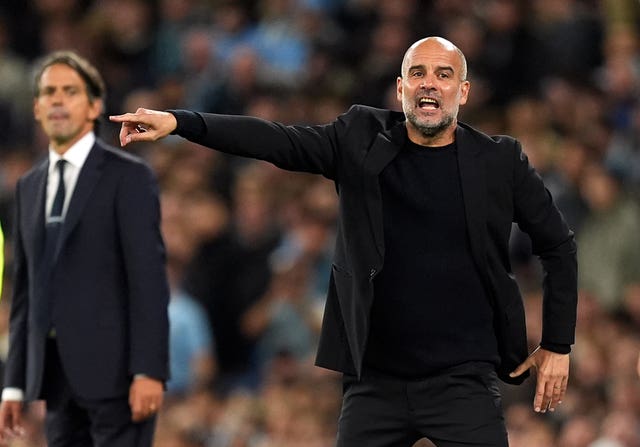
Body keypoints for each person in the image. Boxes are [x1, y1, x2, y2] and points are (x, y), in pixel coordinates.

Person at [110, 37, 578, 447]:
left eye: (443, 74)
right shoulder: (359, 139)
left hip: (463, 382)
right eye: (417, 73)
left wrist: (557, 344)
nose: (429, 83)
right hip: (374, 383)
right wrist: (180, 121)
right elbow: (275, 140)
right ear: (400, 89)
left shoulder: (500, 161)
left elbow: (558, 246)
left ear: (464, 91)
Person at [0, 51, 170, 446]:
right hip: (56, 384)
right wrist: (13, 385)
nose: (58, 100)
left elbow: (148, 278)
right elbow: (25, 292)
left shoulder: (128, 177)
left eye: (70, 91)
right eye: (49, 92)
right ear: (37, 109)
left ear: (95, 106)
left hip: (120, 379)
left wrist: (149, 369)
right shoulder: (27, 187)